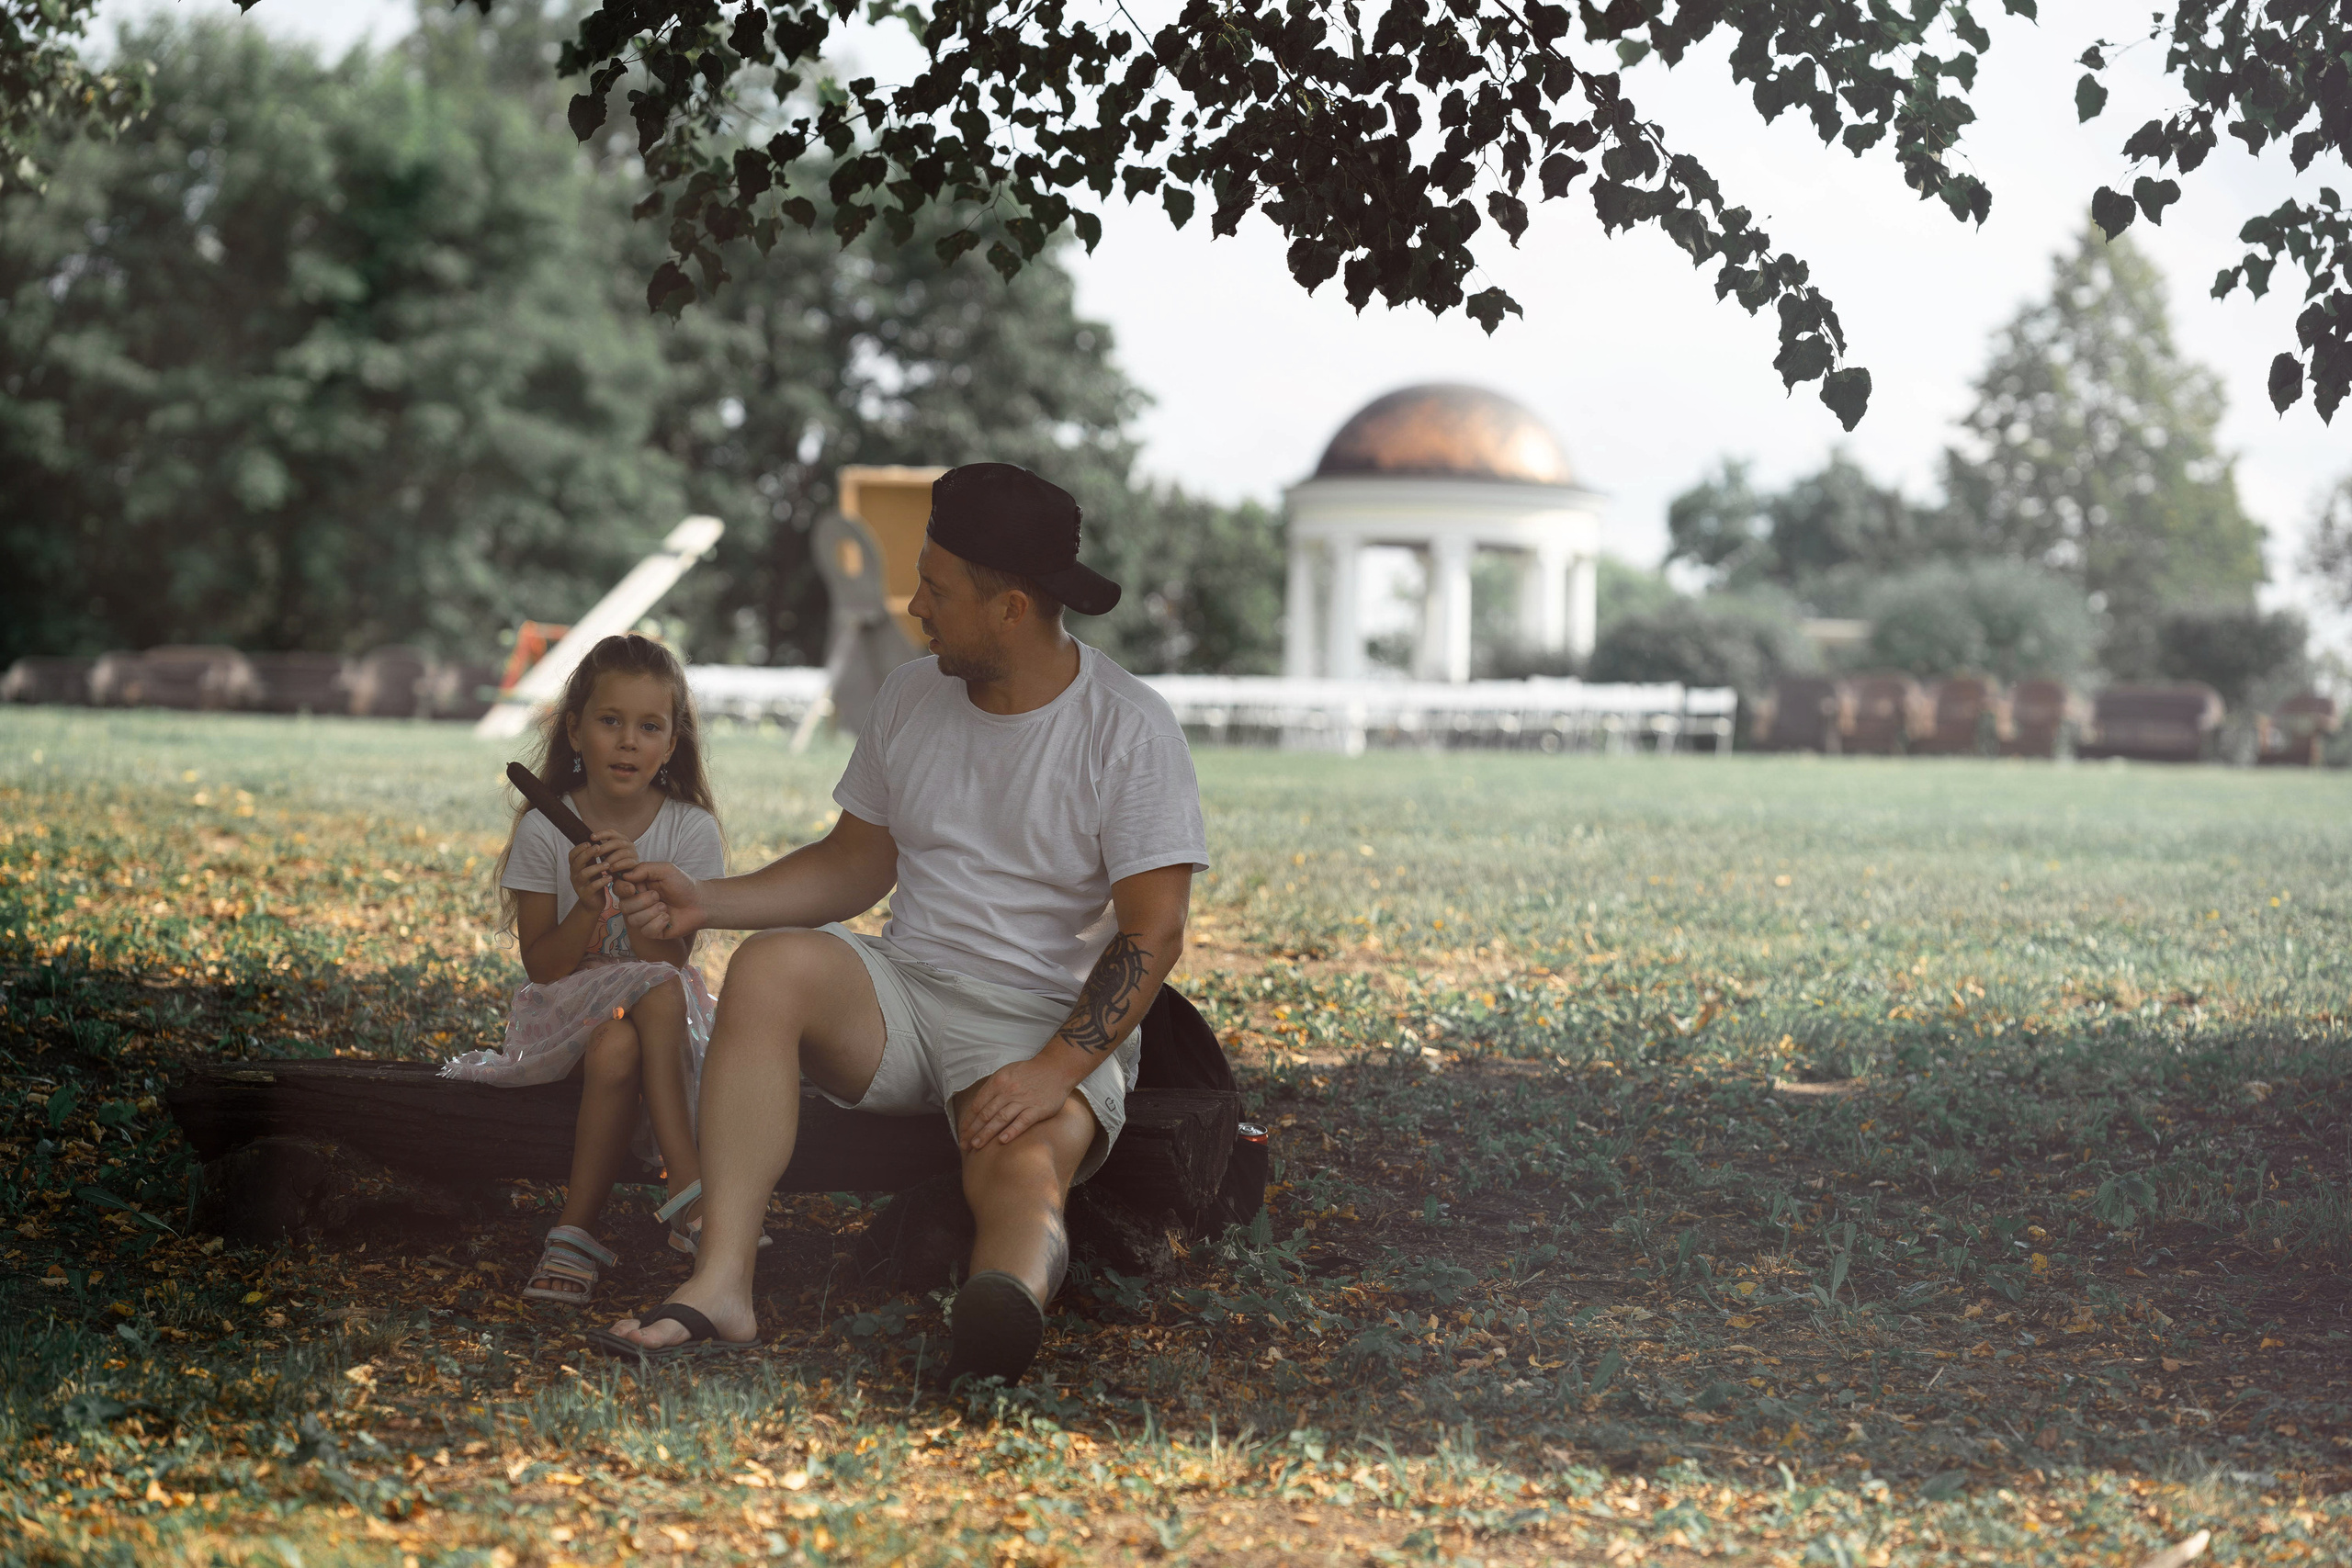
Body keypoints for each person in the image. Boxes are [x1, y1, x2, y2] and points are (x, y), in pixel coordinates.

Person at [590, 462, 1205, 1382]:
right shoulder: (913, 696)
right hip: (905, 992)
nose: (914, 604)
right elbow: (853, 863)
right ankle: (721, 1286)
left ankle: (999, 1306)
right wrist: (706, 901)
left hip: (1043, 1018)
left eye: (937, 587)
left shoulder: (1126, 727)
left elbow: (1152, 931)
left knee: (1019, 1165)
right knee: (771, 968)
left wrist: (1057, 1069)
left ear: (1009, 608)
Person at [443, 633, 729, 1308]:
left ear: (672, 741)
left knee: (628, 1031)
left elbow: (668, 958)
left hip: (650, 1020)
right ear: (575, 730)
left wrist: (637, 902)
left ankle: (574, 1231)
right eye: (610, 721)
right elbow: (543, 966)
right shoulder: (547, 829)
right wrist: (588, 907)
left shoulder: (691, 832)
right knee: (647, 997)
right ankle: (689, 1190)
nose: (628, 742)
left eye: (648, 726)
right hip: (562, 1013)